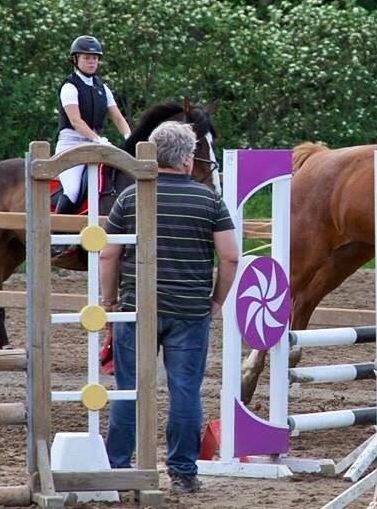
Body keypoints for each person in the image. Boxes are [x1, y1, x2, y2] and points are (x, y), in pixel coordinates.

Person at [100, 121, 238, 493]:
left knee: (128, 387)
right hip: (190, 311)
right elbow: (229, 258)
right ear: (188, 159)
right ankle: (182, 472)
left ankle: (118, 468)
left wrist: (109, 304)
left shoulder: (130, 197)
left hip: (137, 307)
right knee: (184, 391)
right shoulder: (209, 200)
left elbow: (109, 254)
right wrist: (216, 300)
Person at [55, 35, 131, 214]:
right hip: (71, 145)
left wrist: (130, 137)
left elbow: (118, 118)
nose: (92, 62)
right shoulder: (69, 87)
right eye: (87, 58)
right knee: (73, 190)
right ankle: (56, 234)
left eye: (95, 58)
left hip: (96, 145)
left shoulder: (102, 88)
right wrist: (98, 139)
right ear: (75, 59)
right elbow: (76, 121)